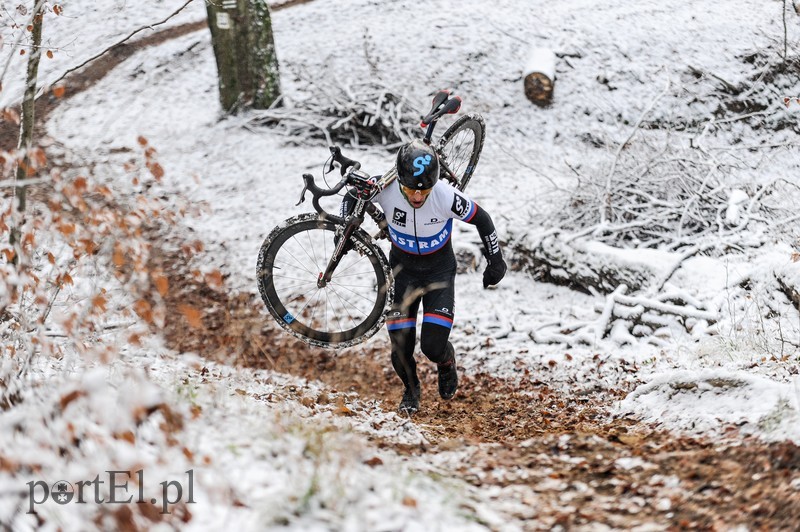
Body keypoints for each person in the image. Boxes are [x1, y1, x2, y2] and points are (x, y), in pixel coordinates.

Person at [343, 139, 507, 414]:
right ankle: (411, 389)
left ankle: (446, 362)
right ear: (400, 182)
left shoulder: (444, 195)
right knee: (400, 347)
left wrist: (496, 260)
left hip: (439, 272)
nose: (418, 198)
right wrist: (345, 228)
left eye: (424, 192)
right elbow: (351, 197)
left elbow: (483, 219)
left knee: (432, 346)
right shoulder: (384, 187)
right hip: (401, 273)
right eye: (410, 191)